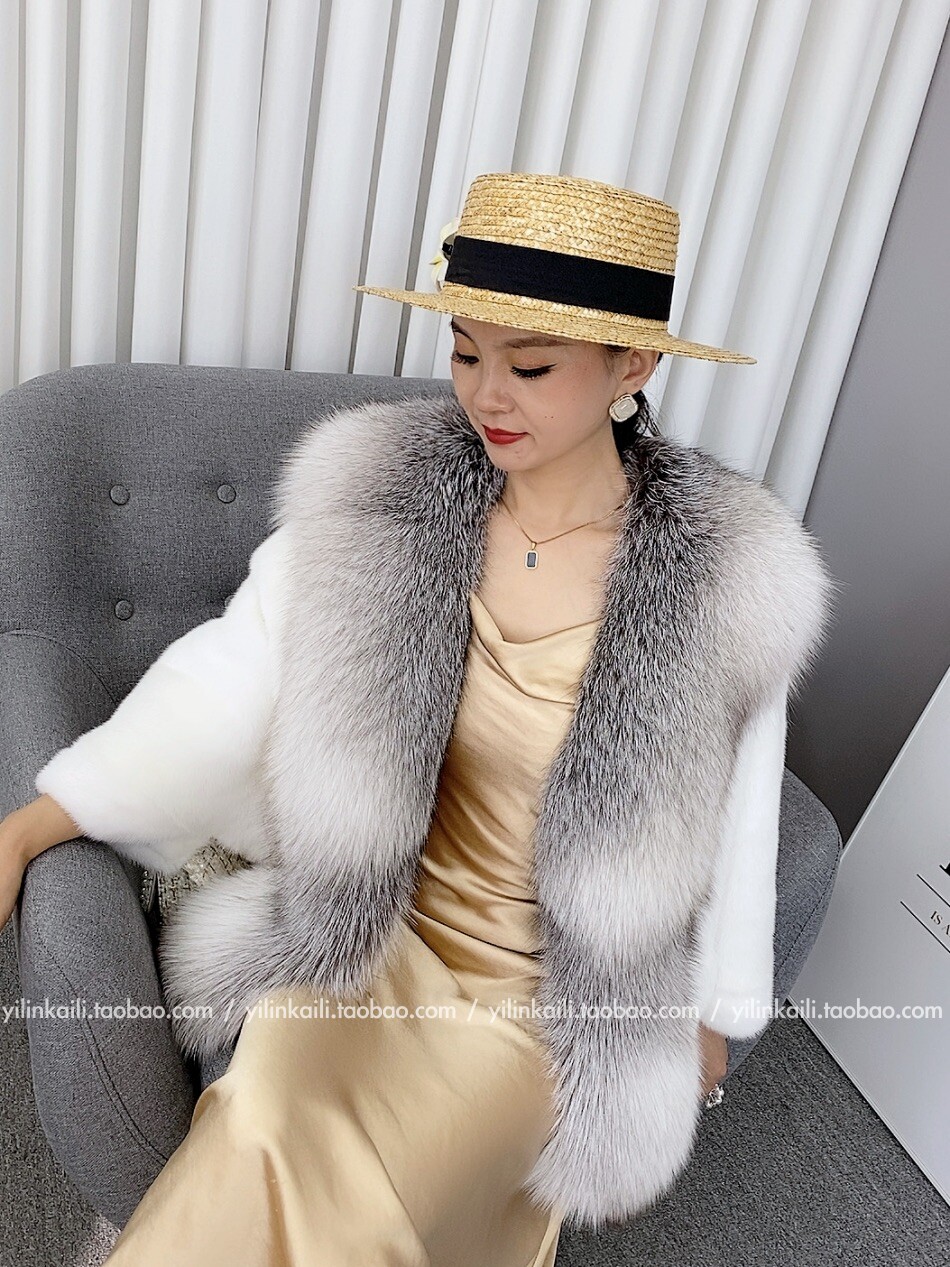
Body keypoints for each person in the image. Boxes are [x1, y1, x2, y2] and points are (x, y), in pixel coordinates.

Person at [0, 172, 834, 1264]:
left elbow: (741, 811)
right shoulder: (384, 500)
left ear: (632, 366)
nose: (487, 395)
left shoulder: (722, 581)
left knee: (366, 1206)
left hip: (543, 1001)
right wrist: (37, 823)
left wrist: (709, 1027)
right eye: (465, 351)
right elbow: (229, 677)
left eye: (530, 366)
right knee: (264, 1112)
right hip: (369, 934)